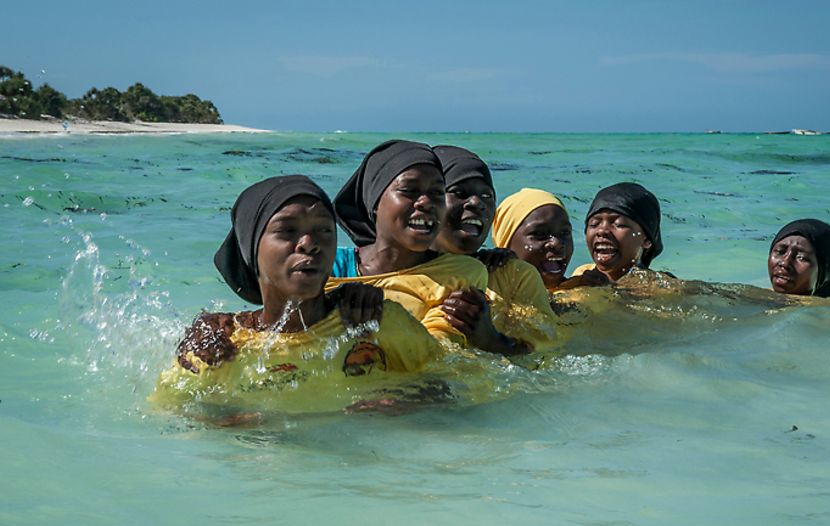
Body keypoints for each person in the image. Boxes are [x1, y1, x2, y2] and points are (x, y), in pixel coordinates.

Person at [153, 175, 441, 417]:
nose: (310, 244)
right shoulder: (220, 347)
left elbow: (460, 384)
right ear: (251, 248)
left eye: (324, 231)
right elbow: (168, 410)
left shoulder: (374, 322)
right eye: (287, 230)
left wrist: (409, 402)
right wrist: (222, 424)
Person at [327, 140, 489, 346]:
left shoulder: (461, 274)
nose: (426, 202)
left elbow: (440, 354)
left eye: (437, 193)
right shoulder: (329, 267)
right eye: (409, 190)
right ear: (375, 202)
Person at [430, 145, 558, 355]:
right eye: (460, 192)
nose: (477, 203)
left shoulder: (513, 276)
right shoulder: (396, 272)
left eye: (487, 196)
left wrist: (491, 340)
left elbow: (547, 350)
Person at [492, 188, 608, 291]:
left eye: (564, 233)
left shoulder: (587, 286)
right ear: (506, 243)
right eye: (539, 234)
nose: (557, 243)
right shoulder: (485, 295)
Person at [572, 182, 666, 281]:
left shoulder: (664, 289)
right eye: (594, 224)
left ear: (646, 239)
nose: (602, 230)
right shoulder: (579, 279)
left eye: (619, 224)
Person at [768, 218, 830, 297]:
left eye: (801, 257)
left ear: (825, 272)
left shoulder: (827, 309)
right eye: (780, 251)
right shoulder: (760, 297)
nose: (785, 263)